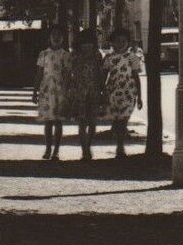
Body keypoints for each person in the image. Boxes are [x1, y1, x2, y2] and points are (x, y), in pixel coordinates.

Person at [103, 27, 145, 158]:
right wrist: (102, 92)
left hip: (128, 92)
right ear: (112, 43)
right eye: (117, 41)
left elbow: (136, 77)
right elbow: (104, 76)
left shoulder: (132, 58)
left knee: (124, 119)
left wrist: (140, 96)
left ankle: (120, 147)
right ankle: (119, 144)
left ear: (128, 43)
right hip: (113, 92)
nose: (120, 44)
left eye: (123, 41)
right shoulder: (109, 58)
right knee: (117, 120)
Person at [65, 28, 106, 160]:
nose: (87, 46)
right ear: (79, 44)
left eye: (89, 43)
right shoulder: (74, 56)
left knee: (93, 122)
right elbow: (68, 74)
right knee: (82, 123)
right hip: (79, 93)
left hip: (94, 91)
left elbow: (100, 74)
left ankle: (88, 145)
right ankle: (85, 150)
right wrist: (66, 89)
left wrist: (103, 89)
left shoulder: (97, 55)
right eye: (84, 43)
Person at [34, 28, 71, 160]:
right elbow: (39, 73)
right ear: (49, 38)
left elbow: (68, 74)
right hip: (46, 90)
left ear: (63, 38)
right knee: (48, 121)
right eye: (53, 35)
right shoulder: (43, 54)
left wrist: (66, 91)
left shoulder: (65, 55)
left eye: (59, 35)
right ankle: (48, 148)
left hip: (60, 90)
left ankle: (56, 151)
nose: (56, 37)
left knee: (58, 121)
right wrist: (34, 91)